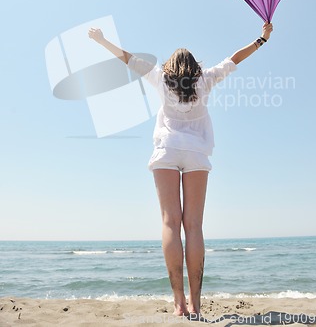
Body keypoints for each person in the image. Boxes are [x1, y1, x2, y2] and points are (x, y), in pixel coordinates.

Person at [88, 21, 273, 319]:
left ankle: (179, 303)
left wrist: (102, 40)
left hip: (166, 152)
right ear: (194, 67)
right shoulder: (206, 80)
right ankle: (196, 303)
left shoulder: (159, 78)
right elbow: (235, 58)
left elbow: (128, 58)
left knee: (170, 223)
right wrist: (262, 39)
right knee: (194, 226)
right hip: (197, 154)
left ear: (171, 67)